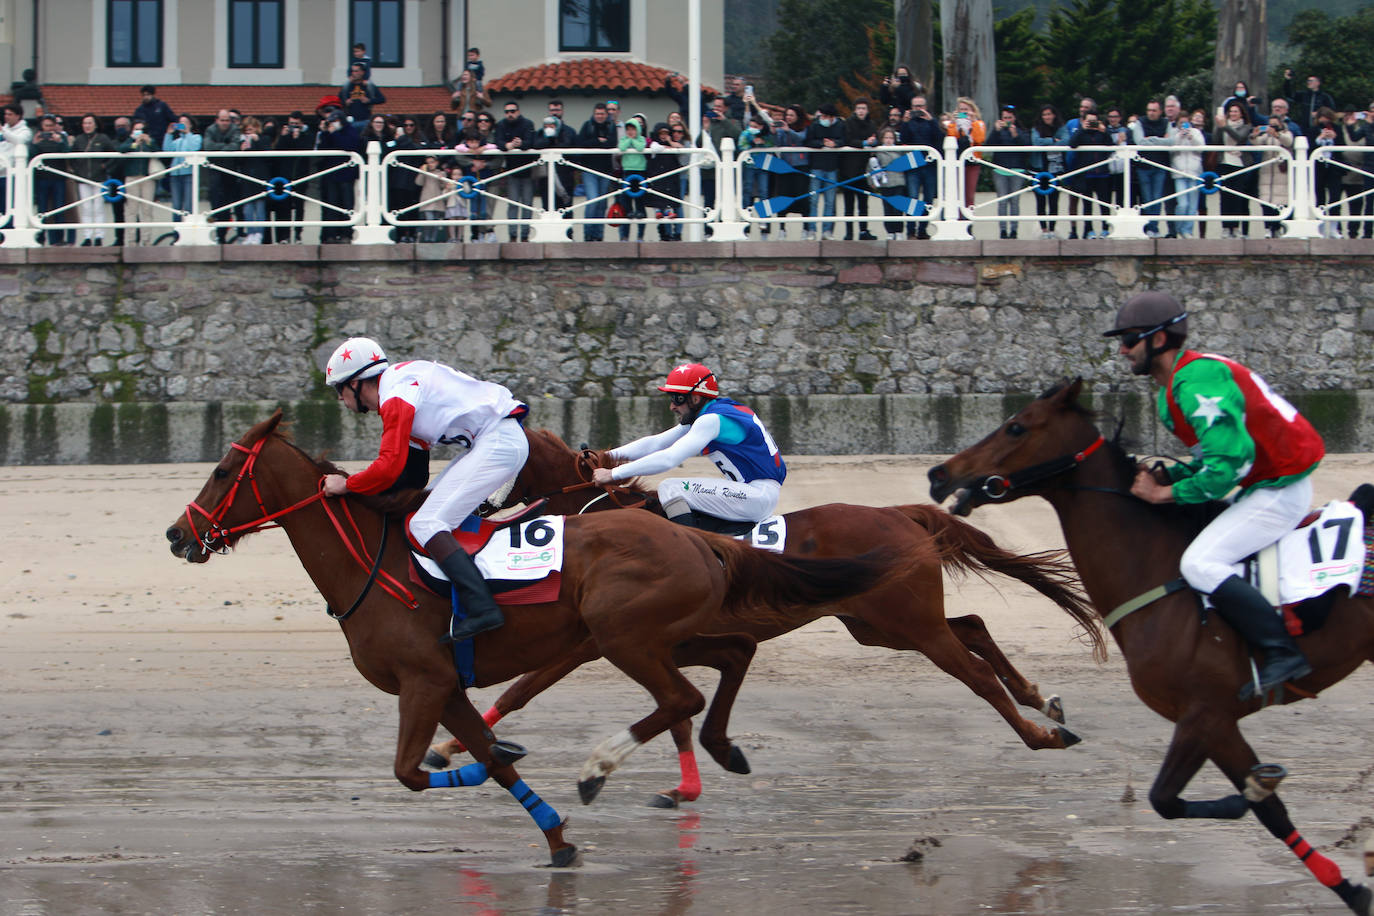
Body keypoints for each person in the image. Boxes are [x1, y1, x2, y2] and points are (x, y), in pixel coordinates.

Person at [1104, 291, 1322, 701]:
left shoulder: (1193, 383)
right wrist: (1170, 472)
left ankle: (1282, 652)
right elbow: (1211, 461)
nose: (1122, 350)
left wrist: (1164, 494)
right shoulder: (1179, 385)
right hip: (1265, 483)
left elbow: (1229, 465)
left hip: (1279, 489)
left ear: (1160, 339)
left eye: (1130, 339)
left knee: (1200, 564)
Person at [322, 337, 529, 642]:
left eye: (339, 389)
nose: (340, 399)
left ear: (355, 383)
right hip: (491, 440)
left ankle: (483, 608)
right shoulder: (399, 389)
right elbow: (413, 476)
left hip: (499, 442)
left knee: (427, 523)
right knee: (421, 512)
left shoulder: (396, 395)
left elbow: (390, 465)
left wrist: (348, 485)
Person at [591, 363, 785, 527]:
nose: (672, 406)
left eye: (677, 398)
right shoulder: (712, 414)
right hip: (754, 493)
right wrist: (605, 457)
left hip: (756, 496)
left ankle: (690, 547)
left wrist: (612, 474)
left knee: (671, 488)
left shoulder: (711, 420)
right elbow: (656, 443)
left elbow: (668, 459)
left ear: (696, 398)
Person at [1129, 99, 1175, 238]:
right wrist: (1160, 139)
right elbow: (1140, 141)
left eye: (1154, 110)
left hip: (1160, 165)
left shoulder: (1166, 123)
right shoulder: (1140, 122)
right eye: (1149, 110)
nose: (1151, 113)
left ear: (1160, 111)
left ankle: (1154, 228)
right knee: (1147, 199)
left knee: (1157, 199)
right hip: (1143, 167)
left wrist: (1151, 138)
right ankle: (1149, 227)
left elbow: (1171, 141)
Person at [491, 100, 535, 241]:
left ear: (518, 111)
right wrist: (506, 145)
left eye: (512, 111)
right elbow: (497, 142)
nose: (509, 114)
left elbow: (532, 142)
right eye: (507, 112)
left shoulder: (528, 124)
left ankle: (524, 235)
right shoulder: (501, 125)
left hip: (528, 170)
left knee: (527, 204)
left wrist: (521, 144)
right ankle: (512, 235)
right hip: (511, 171)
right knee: (513, 204)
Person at [70, 114, 115, 246]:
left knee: (98, 208)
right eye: (85, 123)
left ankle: (99, 236)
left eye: (90, 123)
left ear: (95, 124)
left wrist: (105, 166)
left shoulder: (103, 138)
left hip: (99, 178)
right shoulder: (79, 140)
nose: (87, 126)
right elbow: (71, 156)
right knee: (86, 208)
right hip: (83, 179)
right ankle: (87, 236)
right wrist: (77, 170)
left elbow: (114, 155)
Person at [900, 93, 941, 239]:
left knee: (929, 199)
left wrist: (931, 121)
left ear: (926, 107)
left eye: (921, 106)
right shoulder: (908, 122)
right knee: (912, 198)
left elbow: (939, 139)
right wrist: (904, 122)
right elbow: (903, 139)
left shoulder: (931, 121)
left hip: (929, 165)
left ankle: (923, 229)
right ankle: (911, 230)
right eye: (915, 106)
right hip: (913, 165)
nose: (918, 109)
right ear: (911, 108)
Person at [803, 102, 844, 240]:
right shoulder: (814, 125)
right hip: (816, 166)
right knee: (813, 200)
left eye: (826, 116)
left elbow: (844, 140)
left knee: (830, 201)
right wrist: (822, 144)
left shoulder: (840, 125)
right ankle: (812, 229)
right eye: (822, 115)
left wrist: (836, 144)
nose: (823, 118)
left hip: (832, 167)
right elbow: (808, 141)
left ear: (832, 117)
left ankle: (827, 230)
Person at [269, 111, 312, 243]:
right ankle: (283, 236)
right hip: (284, 176)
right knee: (283, 207)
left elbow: (307, 151)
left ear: (302, 124)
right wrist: (284, 137)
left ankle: (298, 234)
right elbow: (278, 153)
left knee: (299, 207)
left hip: (300, 175)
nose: (293, 126)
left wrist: (298, 137)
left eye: (296, 124)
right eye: (291, 124)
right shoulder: (283, 135)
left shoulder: (307, 135)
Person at [985, 104, 1027, 239]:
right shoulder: (998, 131)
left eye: (1009, 117)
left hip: (1017, 169)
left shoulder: (1021, 130)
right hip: (1000, 169)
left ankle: (1014, 231)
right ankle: (1003, 231)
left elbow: (1028, 146)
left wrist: (1016, 136)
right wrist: (995, 131)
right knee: (1002, 201)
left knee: (1015, 201)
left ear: (1014, 118)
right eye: (1004, 118)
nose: (1007, 120)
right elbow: (988, 146)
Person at [116, 117, 159, 244]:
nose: (139, 132)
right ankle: (131, 240)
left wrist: (149, 141)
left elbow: (158, 151)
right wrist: (134, 142)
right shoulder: (129, 141)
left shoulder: (149, 142)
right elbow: (122, 148)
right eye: (136, 130)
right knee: (132, 210)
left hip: (147, 177)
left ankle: (146, 239)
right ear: (132, 131)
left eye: (141, 130)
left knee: (147, 209)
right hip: (131, 177)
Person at [840, 98, 877, 240]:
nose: (861, 111)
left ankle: (863, 231)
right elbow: (847, 140)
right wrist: (863, 143)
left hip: (864, 169)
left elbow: (876, 138)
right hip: (849, 170)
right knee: (849, 204)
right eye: (859, 108)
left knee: (864, 203)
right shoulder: (848, 123)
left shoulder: (871, 124)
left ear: (867, 110)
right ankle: (849, 232)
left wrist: (874, 142)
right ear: (855, 110)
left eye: (864, 108)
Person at [30, 114, 69, 245]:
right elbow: (31, 157)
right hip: (42, 179)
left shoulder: (61, 137)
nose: (49, 129)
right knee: (42, 209)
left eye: (51, 125)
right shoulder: (37, 138)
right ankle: (40, 238)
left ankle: (58, 239)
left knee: (59, 208)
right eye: (46, 126)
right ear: (41, 127)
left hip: (58, 178)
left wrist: (60, 142)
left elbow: (67, 154)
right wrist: (35, 144)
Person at [1029, 104, 1067, 239]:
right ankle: (1043, 230)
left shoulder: (1061, 128)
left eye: (1049, 114)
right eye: (1044, 114)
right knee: (1040, 202)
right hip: (1038, 169)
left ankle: (1052, 229)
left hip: (1056, 169)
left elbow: (1066, 141)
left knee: (1054, 201)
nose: (1047, 117)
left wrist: (1046, 143)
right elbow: (1035, 142)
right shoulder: (1035, 129)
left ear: (1054, 115)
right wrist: (1051, 140)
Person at [944, 97, 986, 212]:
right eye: (961, 109)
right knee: (956, 193)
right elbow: (951, 137)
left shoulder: (979, 123)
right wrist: (953, 123)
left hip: (972, 162)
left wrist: (973, 123)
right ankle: (957, 218)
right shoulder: (953, 124)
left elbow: (979, 138)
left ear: (972, 110)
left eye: (966, 109)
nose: (963, 112)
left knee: (969, 194)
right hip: (957, 161)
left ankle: (968, 221)